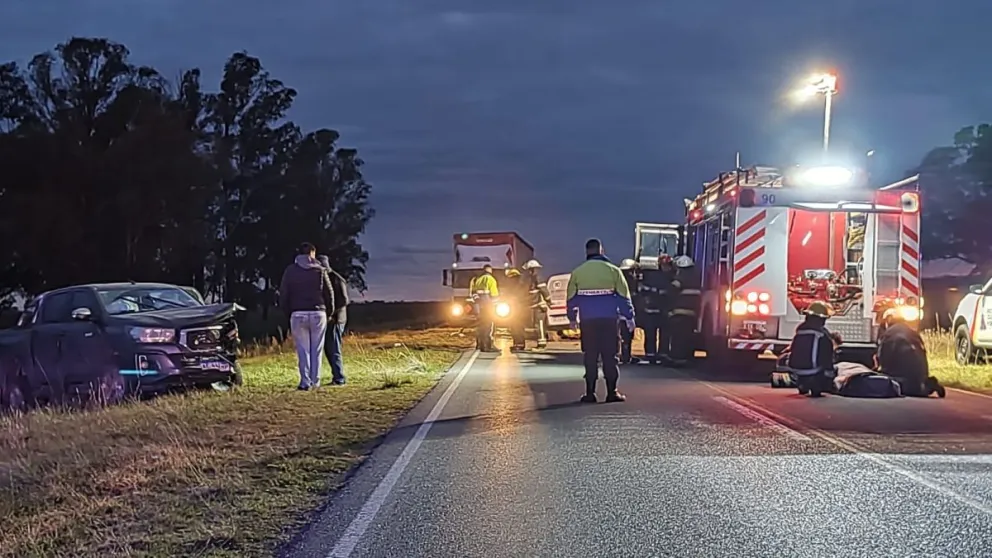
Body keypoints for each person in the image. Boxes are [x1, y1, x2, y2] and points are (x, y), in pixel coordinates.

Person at [566, 238, 635, 403]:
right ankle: (612, 393)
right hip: (609, 321)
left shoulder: (578, 272)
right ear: (601, 250)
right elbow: (623, 297)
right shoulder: (614, 271)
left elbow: (571, 299)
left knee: (590, 356)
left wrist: (571, 319)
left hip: (588, 322)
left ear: (587, 252)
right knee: (610, 356)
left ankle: (590, 394)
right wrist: (629, 317)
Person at [280, 242, 335, 391]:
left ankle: (305, 382)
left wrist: (288, 312)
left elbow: (284, 293)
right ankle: (315, 381)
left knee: (303, 350)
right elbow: (329, 294)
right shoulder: (320, 270)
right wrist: (329, 312)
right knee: (317, 349)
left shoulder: (290, 271)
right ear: (313, 253)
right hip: (318, 312)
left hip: (298, 313)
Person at [876, 309, 946, 398]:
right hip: (921, 377)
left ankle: (916, 387)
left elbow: (884, 360)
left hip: (902, 379)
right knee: (916, 386)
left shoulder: (888, 335)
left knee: (882, 381)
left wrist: (879, 371)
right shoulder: (913, 333)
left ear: (888, 321)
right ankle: (926, 384)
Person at [785, 301, 837, 397]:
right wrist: (830, 373)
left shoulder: (800, 330)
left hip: (795, 369)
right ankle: (817, 388)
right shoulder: (823, 335)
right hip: (814, 370)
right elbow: (827, 356)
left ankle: (802, 385)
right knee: (830, 372)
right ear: (822, 319)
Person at [638, 252, 677, 364]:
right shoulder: (653, 276)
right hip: (652, 310)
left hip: (664, 310)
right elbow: (644, 290)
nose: (666, 267)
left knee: (664, 334)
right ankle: (651, 355)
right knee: (650, 333)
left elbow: (672, 293)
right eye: (665, 265)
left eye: (668, 265)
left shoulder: (672, 277)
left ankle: (662, 354)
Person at [318, 255, 350, 385]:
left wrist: (332, 314)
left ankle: (339, 378)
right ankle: (336, 376)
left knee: (333, 348)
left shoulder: (337, 279)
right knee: (328, 349)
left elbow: (344, 300)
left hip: (337, 319)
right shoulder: (324, 278)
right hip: (329, 319)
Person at [668, 255, 701, 366]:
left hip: (679, 313)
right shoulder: (697, 277)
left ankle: (678, 359)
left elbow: (672, 290)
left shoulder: (681, 277)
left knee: (678, 337)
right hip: (692, 314)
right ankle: (687, 358)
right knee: (688, 337)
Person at [522, 259, 551, 349]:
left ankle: (542, 344)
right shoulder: (532, 279)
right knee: (537, 325)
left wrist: (549, 301)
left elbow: (544, 291)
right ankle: (540, 343)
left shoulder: (537, 278)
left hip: (539, 306)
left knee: (540, 325)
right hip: (535, 306)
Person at [470, 264, 500, 352]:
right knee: (489, 326)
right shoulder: (491, 279)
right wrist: (495, 307)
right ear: (490, 270)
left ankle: (479, 344)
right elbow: (494, 295)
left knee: (481, 326)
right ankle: (488, 346)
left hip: (480, 307)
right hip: (489, 307)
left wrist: (479, 303)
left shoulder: (478, 280)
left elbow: (474, 294)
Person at [618, 258, 642, 364]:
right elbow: (634, 297)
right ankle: (626, 356)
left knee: (620, 335)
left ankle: (622, 355)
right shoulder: (631, 280)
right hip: (627, 313)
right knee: (627, 336)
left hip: (617, 313)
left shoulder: (618, 278)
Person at [503, 268, 528, 351]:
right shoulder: (514, 286)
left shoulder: (519, 286)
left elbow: (521, 297)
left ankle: (520, 344)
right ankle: (517, 343)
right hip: (514, 309)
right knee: (514, 327)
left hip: (518, 310)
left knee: (518, 327)